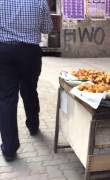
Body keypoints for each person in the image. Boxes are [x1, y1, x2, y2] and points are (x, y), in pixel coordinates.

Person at [0, 0, 53, 161]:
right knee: (30, 90)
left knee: (7, 98)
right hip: (30, 53)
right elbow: (47, 28)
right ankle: (33, 125)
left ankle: (9, 148)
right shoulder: (39, 2)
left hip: (4, 51)